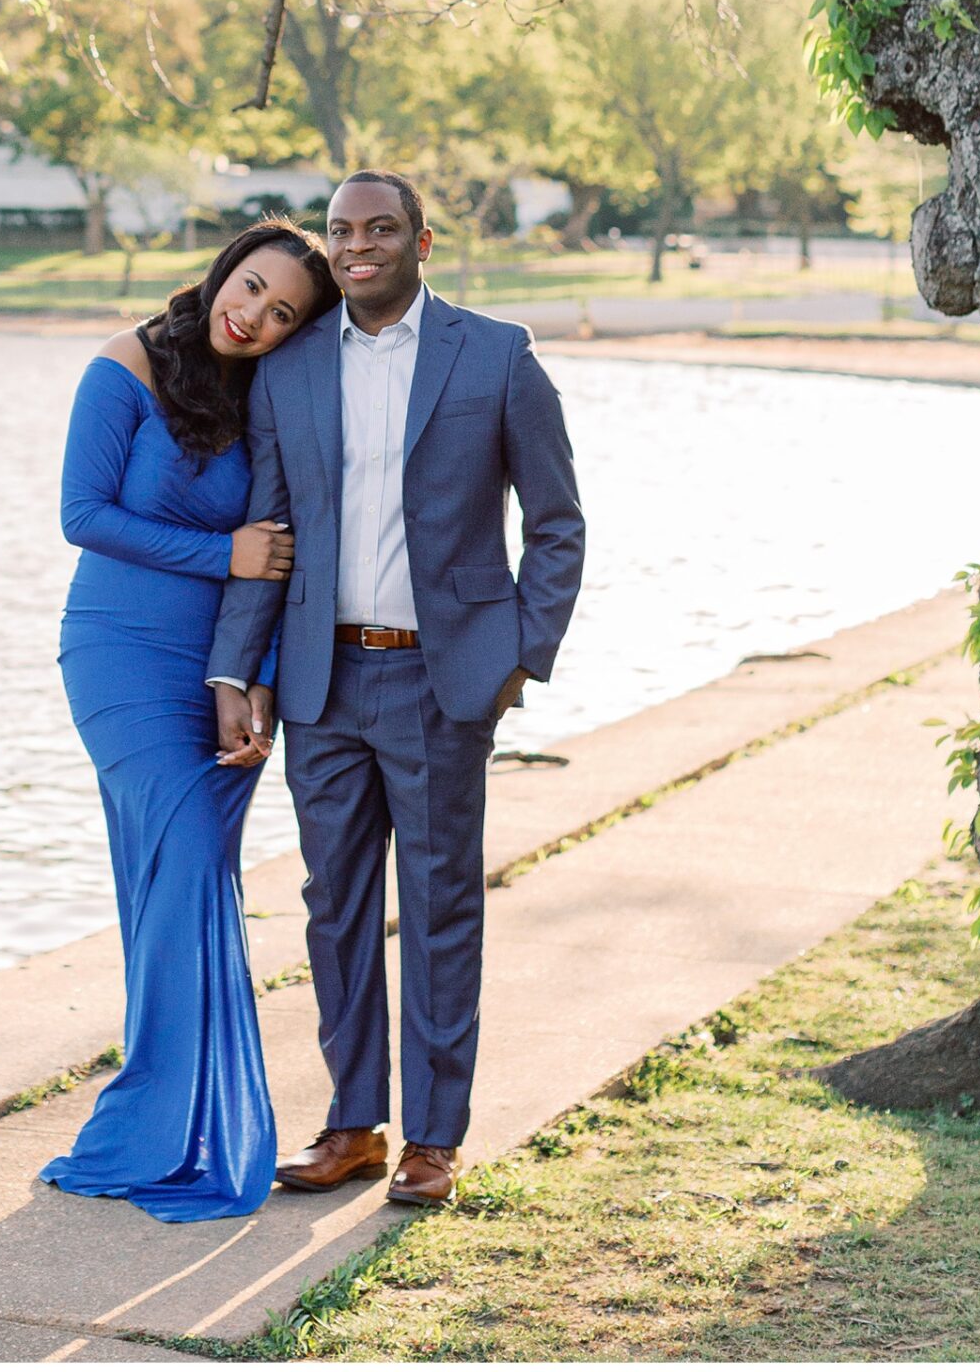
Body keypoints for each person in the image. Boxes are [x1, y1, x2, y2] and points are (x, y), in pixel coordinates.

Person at [208, 171, 585, 1210]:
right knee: (332, 908)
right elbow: (271, 535)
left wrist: (518, 653)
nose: (356, 245)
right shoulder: (286, 371)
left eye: (379, 229)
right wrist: (237, 669)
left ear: (422, 240)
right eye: (339, 232)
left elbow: (556, 523)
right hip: (321, 682)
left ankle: (433, 1135)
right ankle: (351, 1122)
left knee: (437, 907)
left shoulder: (494, 355)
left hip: (438, 679)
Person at [41, 218, 341, 1221]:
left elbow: (281, 553)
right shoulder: (123, 364)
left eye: (281, 311)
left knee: (183, 880)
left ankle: (179, 1120)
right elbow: (83, 515)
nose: (250, 314)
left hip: (221, 677)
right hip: (119, 655)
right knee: (174, 861)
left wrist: (249, 683)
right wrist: (223, 555)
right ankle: (155, 1116)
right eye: (249, 285)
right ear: (225, 268)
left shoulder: (269, 398)